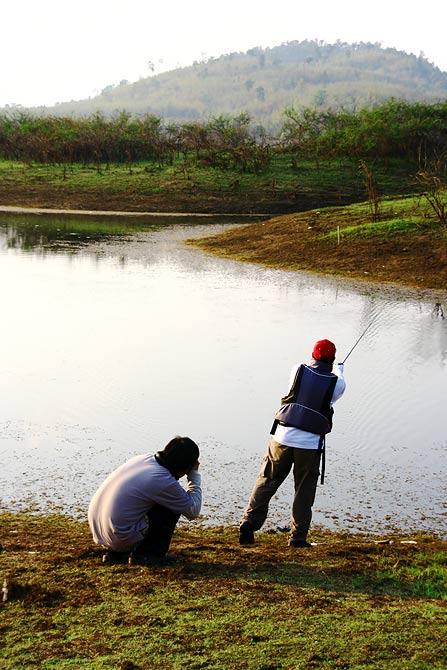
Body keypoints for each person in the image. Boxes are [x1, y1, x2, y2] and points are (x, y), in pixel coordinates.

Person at [239, 339, 345, 548]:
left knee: (267, 480)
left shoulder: (298, 369)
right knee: (303, 491)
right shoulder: (338, 382)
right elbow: (335, 390)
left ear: (313, 355)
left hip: (282, 435)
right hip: (309, 443)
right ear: (332, 359)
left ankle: (249, 522)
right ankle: (297, 538)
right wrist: (340, 369)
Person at [88, 435, 201, 566]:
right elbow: (193, 511)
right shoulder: (163, 480)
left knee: (149, 502)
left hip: (101, 532)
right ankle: (148, 556)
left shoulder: (142, 459)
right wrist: (194, 475)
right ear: (187, 465)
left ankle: (116, 554)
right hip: (119, 537)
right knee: (171, 507)